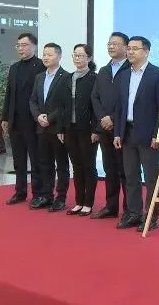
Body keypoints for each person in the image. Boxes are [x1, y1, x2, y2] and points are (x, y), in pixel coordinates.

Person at [113, 36, 159, 231]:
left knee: (152, 177)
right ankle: (134, 213)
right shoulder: (123, 75)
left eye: (135, 49)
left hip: (149, 134)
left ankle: (151, 216)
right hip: (127, 132)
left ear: (146, 51)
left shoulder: (158, 74)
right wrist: (117, 133)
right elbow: (119, 107)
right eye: (128, 48)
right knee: (131, 176)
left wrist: (158, 134)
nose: (130, 52)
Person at [90, 32, 131, 220]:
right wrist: (102, 118)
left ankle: (130, 209)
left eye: (115, 44)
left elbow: (130, 100)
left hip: (124, 128)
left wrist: (113, 118)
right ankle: (111, 206)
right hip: (105, 128)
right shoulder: (104, 71)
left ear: (126, 47)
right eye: (109, 43)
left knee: (127, 171)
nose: (111, 46)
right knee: (110, 170)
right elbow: (95, 97)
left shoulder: (131, 69)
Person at [2, 33, 46, 206]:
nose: (20, 48)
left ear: (34, 46)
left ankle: (38, 193)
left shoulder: (41, 66)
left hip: (33, 121)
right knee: (18, 160)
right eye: (18, 45)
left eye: (24, 45)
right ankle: (20, 191)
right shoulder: (14, 68)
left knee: (36, 159)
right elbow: (9, 94)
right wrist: (5, 117)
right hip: (15, 120)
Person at [29, 43, 71, 212]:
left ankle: (61, 198)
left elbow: (66, 105)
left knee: (61, 165)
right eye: (44, 54)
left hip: (58, 128)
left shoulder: (66, 77)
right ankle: (46, 195)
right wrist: (38, 116)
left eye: (50, 55)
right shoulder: (39, 77)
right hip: (41, 127)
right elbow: (33, 100)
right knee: (44, 163)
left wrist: (49, 117)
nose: (45, 57)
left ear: (59, 57)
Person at [64, 44, 99, 216]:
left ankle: (88, 203)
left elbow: (97, 105)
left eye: (81, 55)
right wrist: (61, 128)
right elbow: (63, 105)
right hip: (70, 128)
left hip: (88, 129)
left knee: (88, 165)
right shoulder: (68, 77)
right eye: (75, 55)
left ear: (89, 58)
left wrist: (96, 129)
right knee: (76, 165)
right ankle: (78, 201)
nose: (77, 58)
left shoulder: (94, 78)